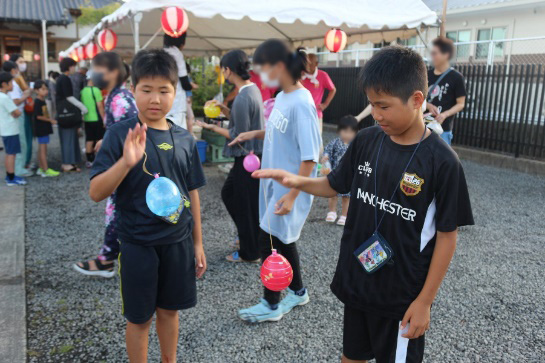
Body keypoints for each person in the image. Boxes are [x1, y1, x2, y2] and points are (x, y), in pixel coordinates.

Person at [254, 46, 474, 362]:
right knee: (351, 357)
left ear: (416, 100)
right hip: (357, 282)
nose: (376, 114)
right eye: (372, 104)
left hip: (402, 297)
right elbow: (333, 184)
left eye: (383, 106)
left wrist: (425, 301)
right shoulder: (367, 140)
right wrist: (296, 182)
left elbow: (447, 235)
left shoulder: (442, 162)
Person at [89, 48, 207, 362]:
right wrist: (125, 163)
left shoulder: (184, 139)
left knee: (169, 312)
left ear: (175, 93)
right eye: (146, 90)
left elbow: (192, 192)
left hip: (177, 242)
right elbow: (96, 192)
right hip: (137, 243)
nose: (155, 99)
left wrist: (197, 243)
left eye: (163, 91)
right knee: (140, 319)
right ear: (133, 90)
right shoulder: (118, 134)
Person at [229, 39, 321, 323]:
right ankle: (298, 291)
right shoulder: (283, 97)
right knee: (281, 241)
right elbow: (275, 131)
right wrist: (252, 135)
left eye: (263, 68)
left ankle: (271, 304)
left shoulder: (303, 103)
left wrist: (293, 196)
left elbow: (311, 157)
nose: (259, 74)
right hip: (274, 184)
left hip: (290, 189)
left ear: (279, 66)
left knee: (269, 240)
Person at [73, 52, 138, 277]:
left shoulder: (120, 99)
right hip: (120, 162)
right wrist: (106, 140)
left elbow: (130, 131)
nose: (95, 73)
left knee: (117, 211)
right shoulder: (115, 95)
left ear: (113, 73)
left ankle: (107, 259)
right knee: (115, 211)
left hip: (125, 164)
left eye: (99, 69)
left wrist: (113, 146)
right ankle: (108, 257)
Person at [197, 49, 264, 263]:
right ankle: (249, 237)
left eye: (222, 69)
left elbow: (238, 135)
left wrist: (211, 127)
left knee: (243, 203)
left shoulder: (244, 97)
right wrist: (225, 109)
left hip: (247, 157)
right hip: (251, 157)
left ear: (228, 70)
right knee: (231, 195)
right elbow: (240, 121)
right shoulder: (251, 90)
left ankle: (250, 251)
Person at [427, 37, 467, 145]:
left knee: (440, 160)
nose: (432, 57)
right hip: (423, 126)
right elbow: (416, 97)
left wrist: (444, 114)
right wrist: (427, 105)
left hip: (443, 129)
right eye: (432, 53)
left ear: (446, 55)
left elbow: (461, 104)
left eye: (435, 53)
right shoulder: (426, 75)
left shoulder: (457, 77)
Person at [321, 115, 357, 226]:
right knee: (333, 193)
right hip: (335, 173)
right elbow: (327, 150)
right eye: (345, 131)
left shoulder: (355, 145)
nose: (347, 134)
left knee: (347, 197)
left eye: (351, 132)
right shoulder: (335, 142)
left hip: (349, 175)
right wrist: (325, 157)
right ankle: (332, 211)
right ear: (339, 131)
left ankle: (344, 215)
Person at [56, 57, 88, 172]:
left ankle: (69, 162)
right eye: (74, 66)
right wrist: (82, 107)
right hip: (67, 114)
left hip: (64, 114)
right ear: (69, 67)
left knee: (68, 139)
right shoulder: (65, 79)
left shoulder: (61, 78)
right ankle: (67, 164)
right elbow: (69, 96)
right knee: (68, 139)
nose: (75, 68)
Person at [2, 61, 33, 177]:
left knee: (12, 151)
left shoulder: (5, 93)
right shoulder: (11, 88)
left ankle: (12, 173)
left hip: (7, 126)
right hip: (12, 124)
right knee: (18, 147)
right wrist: (25, 96)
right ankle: (17, 171)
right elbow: (15, 107)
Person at [0, 71, 26, 185]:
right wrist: (18, 112)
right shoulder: (5, 97)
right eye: (11, 82)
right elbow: (17, 112)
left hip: (5, 129)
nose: (12, 85)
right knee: (12, 154)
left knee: (10, 153)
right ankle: (11, 178)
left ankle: (10, 175)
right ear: (4, 84)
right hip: (10, 130)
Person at [163, 33, 193, 130]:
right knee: (178, 134)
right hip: (176, 102)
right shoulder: (177, 54)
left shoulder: (162, 53)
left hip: (163, 99)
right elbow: (185, 82)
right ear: (181, 42)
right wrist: (191, 86)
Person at [301, 53, 336, 134]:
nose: (307, 66)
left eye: (310, 64)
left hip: (316, 114)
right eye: (306, 63)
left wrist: (325, 104)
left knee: (317, 141)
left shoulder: (322, 75)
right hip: (301, 114)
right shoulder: (301, 75)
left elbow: (333, 89)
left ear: (316, 64)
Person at [32, 80, 60, 177]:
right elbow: (38, 116)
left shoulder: (41, 100)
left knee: (41, 149)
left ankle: (41, 168)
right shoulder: (37, 101)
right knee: (43, 149)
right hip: (41, 128)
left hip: (43, 128)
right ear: (36, 90)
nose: (45, 91)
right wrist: (50, 120)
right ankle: (45, 169)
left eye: (46, 89)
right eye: (43, 89)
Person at [80, 73, 105, 167]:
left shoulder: (82, 91)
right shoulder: (96, 90)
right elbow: (100, 106)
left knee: (89, 139)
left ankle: (89, 160)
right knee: (99, 139)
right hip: (96, 119)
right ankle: (99, 159)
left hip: (87, 119)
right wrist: (104, 119)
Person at [185, 61, 198, 132]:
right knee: (190, 117)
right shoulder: (185, 77)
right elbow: (193, 86)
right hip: (186, 99)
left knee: (187, 118)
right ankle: (190, 134)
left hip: (187, 99)